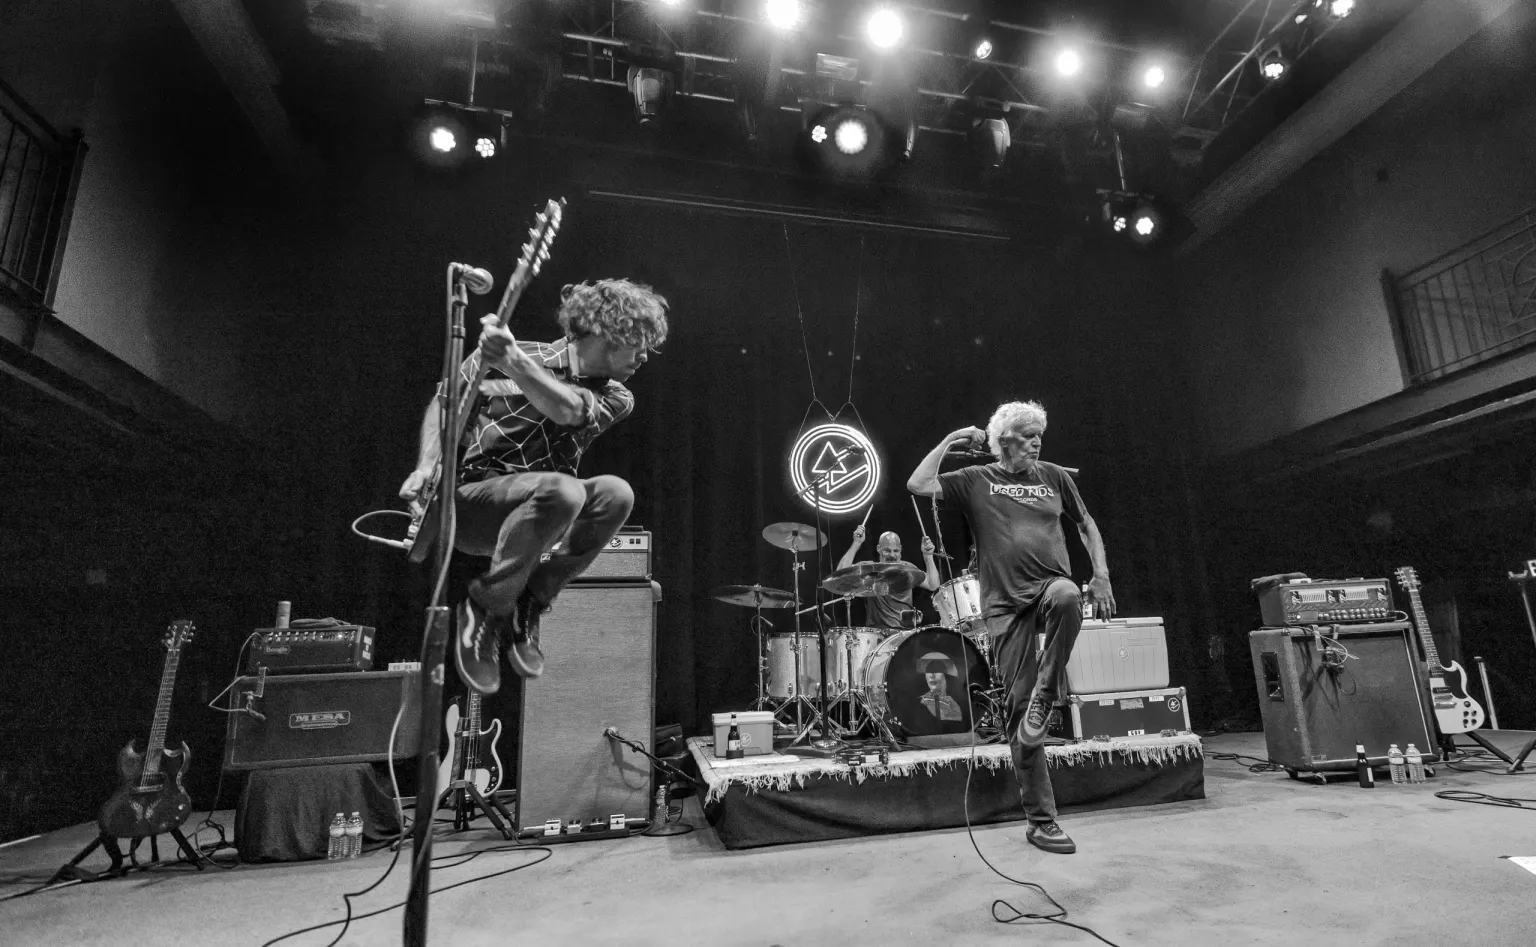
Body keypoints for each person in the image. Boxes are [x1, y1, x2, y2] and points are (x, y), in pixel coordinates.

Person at [399, 279, 670, 696]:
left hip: (540, 511)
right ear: (609, 330)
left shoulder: (617, 395)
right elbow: (447, 402)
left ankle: (528, 600)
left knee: (617, 493)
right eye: (639, 341)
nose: (645, 356)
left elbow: (568, 410)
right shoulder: (510, 354)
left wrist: (513, 364)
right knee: (567, 490)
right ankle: (485, 608)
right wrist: (424, 466)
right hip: (471, 505)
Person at [907, 400, 1115, 855]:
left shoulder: (1054, 476)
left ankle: (1048, 691)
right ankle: (1042, 822)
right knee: (1021, 716)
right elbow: (918, 483)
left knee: (1066, 595)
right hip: (1004, 607)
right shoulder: (977, 480)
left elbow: (1088, 525)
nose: (1037, 440)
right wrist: (951, 440)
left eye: (1039, 432)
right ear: (1003, 441)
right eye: (1026, 433)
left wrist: (1100, 575)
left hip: (1048, 587)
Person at [836, 527, 940, 630]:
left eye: (896, 551)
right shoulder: (869, 568)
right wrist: (856, 543)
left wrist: (928, 556)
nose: (892, 555)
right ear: (878, 549)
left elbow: (933, 585)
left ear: (901, 549)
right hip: (877, 634)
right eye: (887, 551)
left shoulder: (908, 568)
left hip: (905, 633)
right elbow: (839, 576)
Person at [917, 653, 964, 722]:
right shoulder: (921, 702)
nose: (931, 675)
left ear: (945, 675)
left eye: (937, 670)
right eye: (928, 671)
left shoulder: (953, 704)